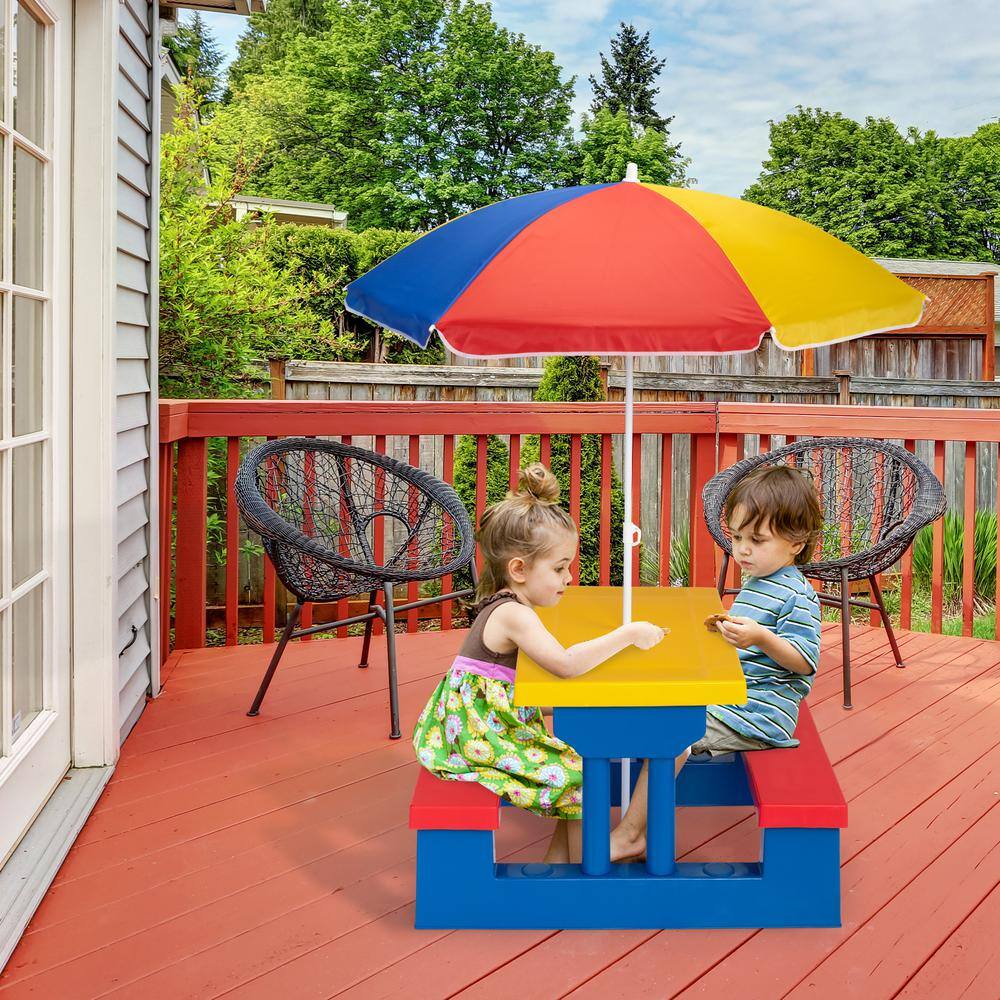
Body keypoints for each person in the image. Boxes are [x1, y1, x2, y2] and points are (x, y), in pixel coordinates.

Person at [413, 463, 666, 864]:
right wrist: (627, 634)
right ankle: (598, 854)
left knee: (582, 754)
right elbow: (565, 665)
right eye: (559, 567)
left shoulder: (511, 604)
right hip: (480, 735)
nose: (569, 577)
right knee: (583, 772)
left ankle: (558, 864)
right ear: (519, 569)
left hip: (489, 720)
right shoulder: (514, 614)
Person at [610, 464, 824, 862]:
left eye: (756, 540)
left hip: (760, 712)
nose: (742, 549)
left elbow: (803, 661)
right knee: (654, 697)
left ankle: (631, 835)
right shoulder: (761, 580)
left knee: (671, 732)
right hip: (734, 693)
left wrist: (760, 637)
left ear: (796, 543)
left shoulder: (798, 596)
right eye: (738, 537)